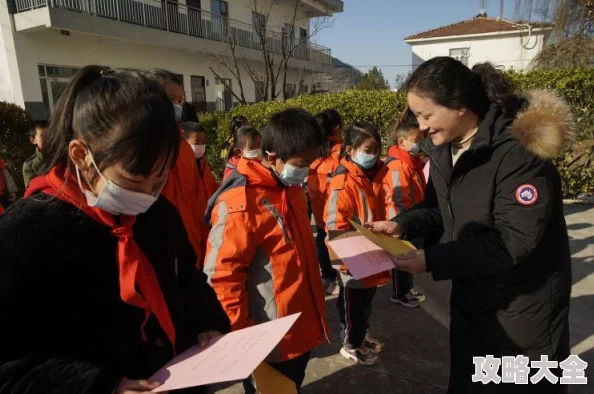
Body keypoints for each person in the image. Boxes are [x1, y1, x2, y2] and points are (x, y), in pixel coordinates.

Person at [0, 66, 231, 394]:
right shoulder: (24, 236)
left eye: (161, 177)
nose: (150, 193)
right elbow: (10, 369)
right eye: (135, 179)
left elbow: (187, 279)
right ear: (81, 155)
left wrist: (208, 321)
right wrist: (102, 386)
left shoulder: (158, 212)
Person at [368, 57, 573, 393]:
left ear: (460, 105)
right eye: (416, 117)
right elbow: (438, 208)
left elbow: (513, 240)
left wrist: (431, 260)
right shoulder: (446, 149)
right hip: (474, 299)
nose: (421, 126)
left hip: (523, 311)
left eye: (426, 115)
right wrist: (401, 225)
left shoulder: (518, 154)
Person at [204, 108, 329, 393]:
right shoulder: (240, 203)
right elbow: (222, 277)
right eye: (302, 163)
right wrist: (241, 339)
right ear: (272, 157)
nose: (306, 170)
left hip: (299, 326)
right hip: (266, 338)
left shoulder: (290, 187)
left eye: (311, 162)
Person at [324, 121, 390, 366]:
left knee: (366, 303)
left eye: (376, 150)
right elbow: (334, 224)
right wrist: (344, 262)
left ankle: (361, 334)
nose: (372, 155)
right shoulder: (342, 183)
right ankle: (351, 343)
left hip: (372, 253)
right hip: (352, 258)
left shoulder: (371, 176)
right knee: (353, 305)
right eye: (368, 149)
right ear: (350, 151)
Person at [145, 69, 205, 267]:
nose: (177, 106)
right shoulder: (141, 147)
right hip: (156, 252)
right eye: (170, 98)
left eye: (180, 100)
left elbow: (198, 198)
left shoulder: (184, 148)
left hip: (190, 246)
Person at [382, 121, 426, 308]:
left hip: (410, 218)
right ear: (401, 142)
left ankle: (407, 287)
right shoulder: (399, 166)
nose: (420, 144)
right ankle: (399, 293)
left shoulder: (410, 162)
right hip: (402, 221)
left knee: (408, 256)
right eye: (416, 140)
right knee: (402, 258)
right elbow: (399, 199)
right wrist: (406, 223)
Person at [308, 109, 343, 296]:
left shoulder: (314, 150)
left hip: (318, 201)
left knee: (322, 238)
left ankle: (326, 277)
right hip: (335, 203)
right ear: (336, 128)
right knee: (337, 240)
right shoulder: (340, 151)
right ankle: (338, 278)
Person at [23, 119, 49, 188]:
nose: (48, 138)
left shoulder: (62, 156)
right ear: (33, 140)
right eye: (42, 135)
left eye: (50, 134)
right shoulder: (30, 165)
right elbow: (31, 191)